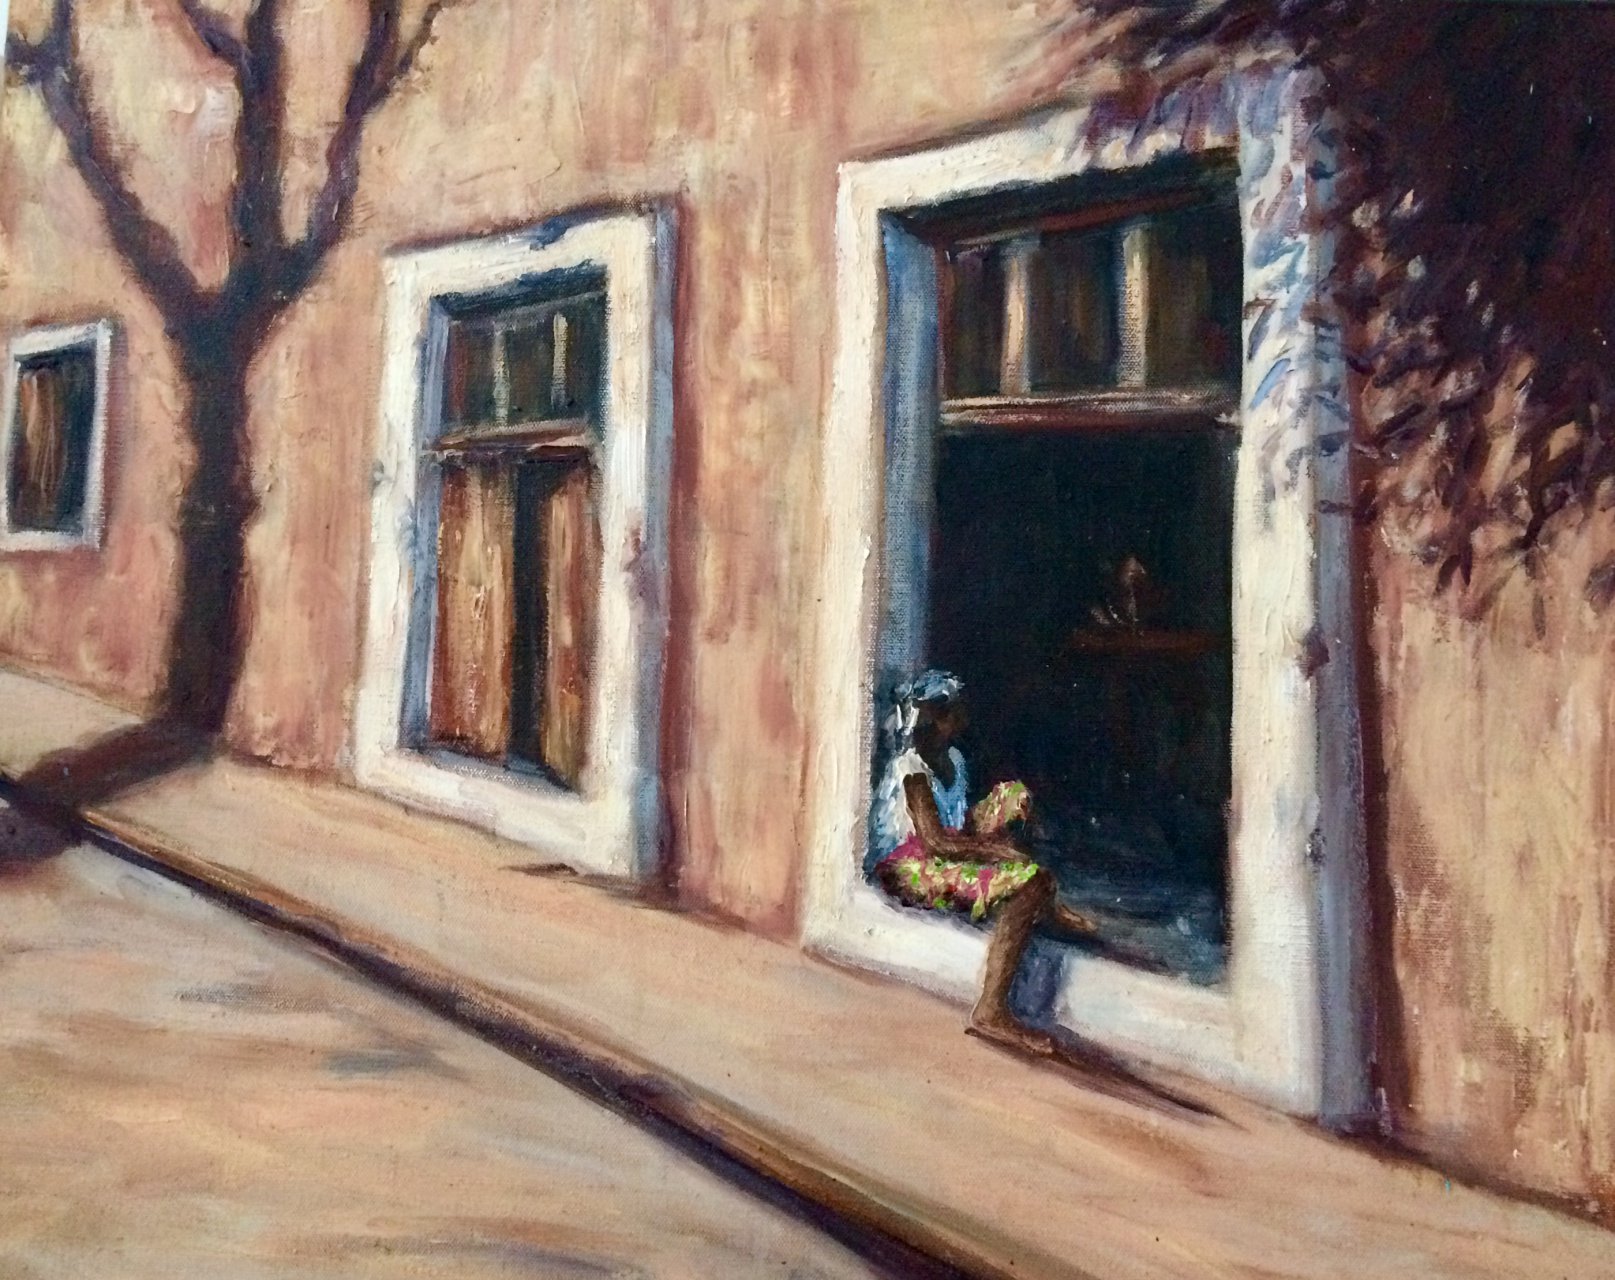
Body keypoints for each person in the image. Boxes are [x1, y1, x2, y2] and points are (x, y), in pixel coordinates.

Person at [869, 670, 1097, 1056]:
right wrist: (996, 852)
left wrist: (1000, 814)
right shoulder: (911, 768)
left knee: (1012, 795)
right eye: (929, 717)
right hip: (909, 866)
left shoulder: (953, 760)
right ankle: (991, 1009)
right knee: (1028, 881)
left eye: (943, 716)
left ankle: (1039, 902)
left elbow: (958, 822)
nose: (934, 725)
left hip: (943, 848)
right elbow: (936, 842)